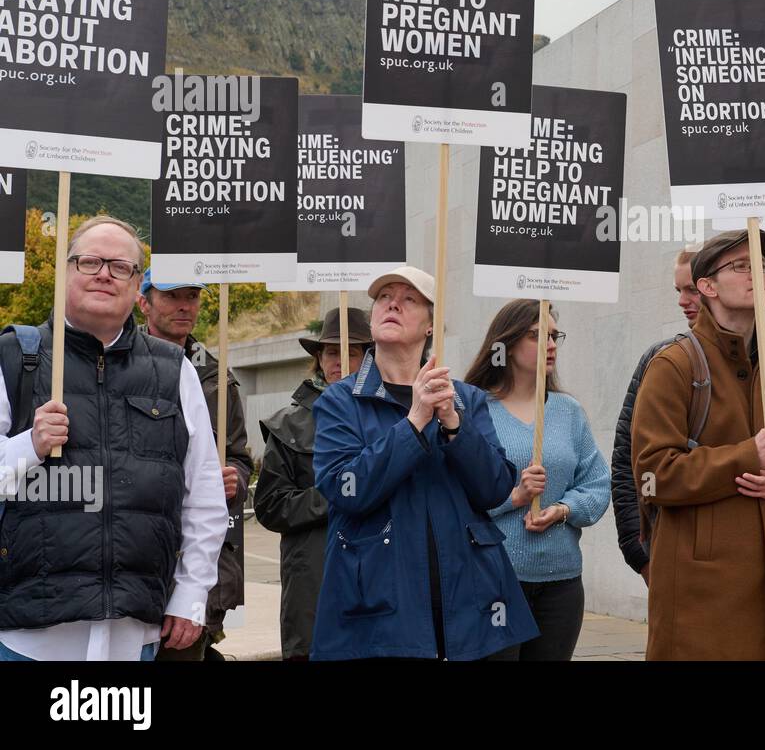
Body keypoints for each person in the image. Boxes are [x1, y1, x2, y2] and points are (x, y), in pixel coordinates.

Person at [0, 216, 226, 660]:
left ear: (137, 285)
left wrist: (192, 594)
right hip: (28, 638)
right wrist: (28, 446)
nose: (104, 273)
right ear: (66, 272)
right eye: (89, 262)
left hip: (134, 633)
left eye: (120, 267)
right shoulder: (13, 357)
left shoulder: (174, 369)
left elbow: (203, 496)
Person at [310, 266, 537, 660]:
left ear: (430, 326)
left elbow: (496, 488)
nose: (392, 303)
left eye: (409, 299)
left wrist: (453, 424)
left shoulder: (467, 399)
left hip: (474, 610)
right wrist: (415, 422)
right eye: (384, 297)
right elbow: (347, 489)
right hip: (378, 614)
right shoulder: (339, 402)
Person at [631, 229, 765, 660]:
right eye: (741, 266)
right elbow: (651, 477)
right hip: (702, 602)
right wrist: (747, 456)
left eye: (763, 266)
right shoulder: (673, 366)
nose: (758, 275)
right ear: (707, 286)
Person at [611, 248, 765, 583]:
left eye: (690, 289)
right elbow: (631, 465)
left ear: (708, 287)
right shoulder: (666, 362)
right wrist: (641, 553)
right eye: (679, 291)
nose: (683, 300)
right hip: (691, 563)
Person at [463, 300, 610, 661]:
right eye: (536, 335)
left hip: (561, 585)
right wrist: (513, 497)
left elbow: (597, 484)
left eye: (554, 335)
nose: (551, 344)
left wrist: (562, 508)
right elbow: (456, 495)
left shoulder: (568, 412)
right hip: (493, 580)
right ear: (507, 344)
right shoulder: (474, 409)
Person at [137, 268, 253, 661]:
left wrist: (234, 477)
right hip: (137, 552)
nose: (184, 305)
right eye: (171, 296)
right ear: (144, 303)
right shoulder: (118, 363)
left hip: (199, 558)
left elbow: (239, 454)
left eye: (192, 296)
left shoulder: (218, 377)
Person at [255, 306, 370, 660]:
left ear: (369, 358)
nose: (339, 361)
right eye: (331, 351)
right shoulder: (287, 425)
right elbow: (270, 506)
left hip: (379, 583)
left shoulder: (396, 415)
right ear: (319, 358)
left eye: (350, 351)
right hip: (314, 584)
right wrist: (338, 495)